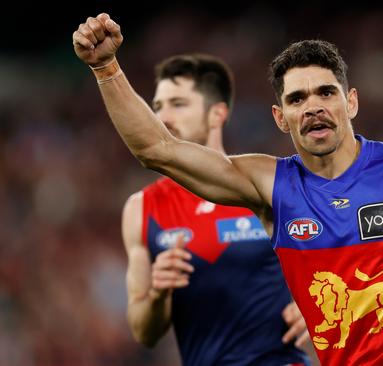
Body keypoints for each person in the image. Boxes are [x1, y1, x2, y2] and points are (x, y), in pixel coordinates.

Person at [73, 13, 383, 366]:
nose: (314, 107)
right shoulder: (269, 186)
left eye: (326, 93)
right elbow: (158, 148)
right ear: (281, 118)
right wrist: (107, 70)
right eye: (297, 99)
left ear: (351, 102)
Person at [118, 52, 310, 365]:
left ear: (217, 114)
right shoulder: (142, 208)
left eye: (178, 104)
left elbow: (340, 258)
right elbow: (145, 333)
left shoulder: (262, 188)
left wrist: (312, 305)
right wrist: (157, 293)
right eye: (157, 107)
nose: (161, 118)